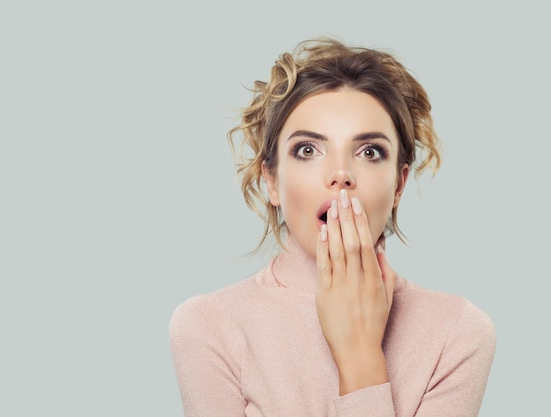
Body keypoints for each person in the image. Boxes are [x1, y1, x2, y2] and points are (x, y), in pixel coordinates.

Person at [169, 36, 496, 417]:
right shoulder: (208, 327)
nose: (341, 174)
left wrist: (360, 359)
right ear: (272, 181)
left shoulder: (458, 333)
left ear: (399, 185)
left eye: (369, 152)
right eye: (308, 150)